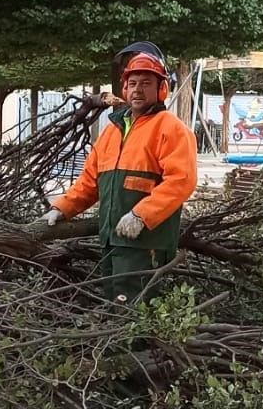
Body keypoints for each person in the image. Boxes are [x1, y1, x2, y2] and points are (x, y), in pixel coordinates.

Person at [40, 45, 199, 301]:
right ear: (124, 89)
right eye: (132, 83)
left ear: (161, 89)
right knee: (116, 306)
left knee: (135, 311)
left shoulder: (171, 128)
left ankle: (138, 343)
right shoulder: (112, 130)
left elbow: (182, 181)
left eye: (146, 83)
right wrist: (62, 208)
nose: (137, 89)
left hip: (146, 243)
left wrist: (141, 214)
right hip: (112, 240)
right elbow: (90, 182)